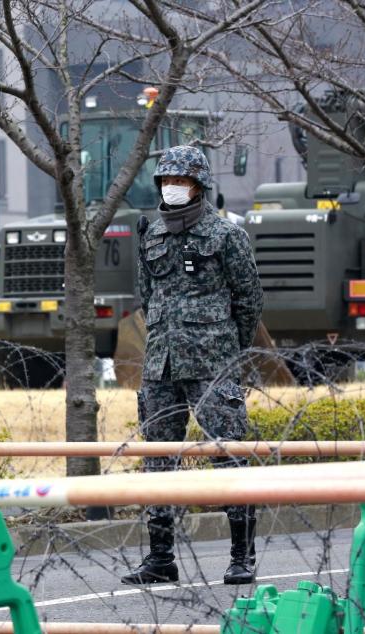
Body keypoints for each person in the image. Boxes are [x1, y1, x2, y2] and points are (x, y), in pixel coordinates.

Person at [120, 145, 263, 586]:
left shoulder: (226, 236)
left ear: (199, 185)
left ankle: (242, 556)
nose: (172, 188)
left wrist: (226, 349)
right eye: (166, 181)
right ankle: (160, 558)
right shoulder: (153, 236)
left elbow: (249, 299)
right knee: (158, 461)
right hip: (160, 363)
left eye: (180, 181)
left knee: (229, 455)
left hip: (213, 363)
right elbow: (147, 297)